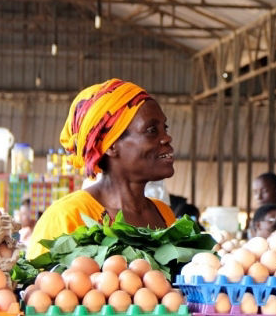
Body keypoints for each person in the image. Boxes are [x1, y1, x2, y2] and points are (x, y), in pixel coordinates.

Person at [26, 79, 176, 259]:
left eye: (164, 128)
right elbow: (41, 285)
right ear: (111, 145)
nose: (166, 138)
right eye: (152, 130)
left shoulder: (163, 214)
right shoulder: (68, 216)